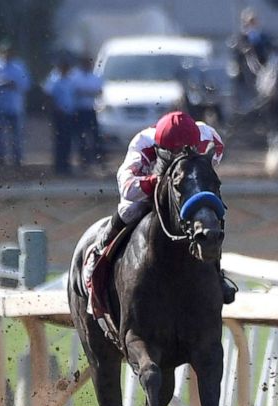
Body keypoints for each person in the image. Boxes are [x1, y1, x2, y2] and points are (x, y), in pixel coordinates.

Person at [84, 111, 235, 307]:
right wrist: (161, 183)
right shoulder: (142, 144)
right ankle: (99, 252)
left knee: (208, 216)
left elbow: (213, 160)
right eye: (174, 153)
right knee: (130, 211)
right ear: (160, 147)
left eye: (186, 150)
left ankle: (216, 271)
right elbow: (127, 187)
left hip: (183, 191)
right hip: (149, 187)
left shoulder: (209, 136)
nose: (180, 156)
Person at [0, 40, 31, 167]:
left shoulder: (20, 66)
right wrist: (0, 83)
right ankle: (0, 158)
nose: (7, 54)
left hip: (15, 106)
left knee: (16, 134)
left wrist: (15, 84)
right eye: (4, 51)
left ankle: (17, 159)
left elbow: (27, 84)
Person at [43, 54, 78, 175]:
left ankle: (66, 165)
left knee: (67, 141)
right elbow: (48, 96)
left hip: (69, 113)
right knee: (59, 140)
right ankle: (58, 166)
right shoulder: (54, 79)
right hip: (59, 114)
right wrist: (55, 109)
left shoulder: (70, 80)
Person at [73, 55, 104, 170]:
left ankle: (98, 159)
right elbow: (75, 91)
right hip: (79, 110)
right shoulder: (76, 76)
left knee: (95, 135)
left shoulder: (95, 76)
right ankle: (83, 160)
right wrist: (88, 92)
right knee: (81, 136)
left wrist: (86, 92)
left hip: (91, 109)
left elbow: (99, 91)